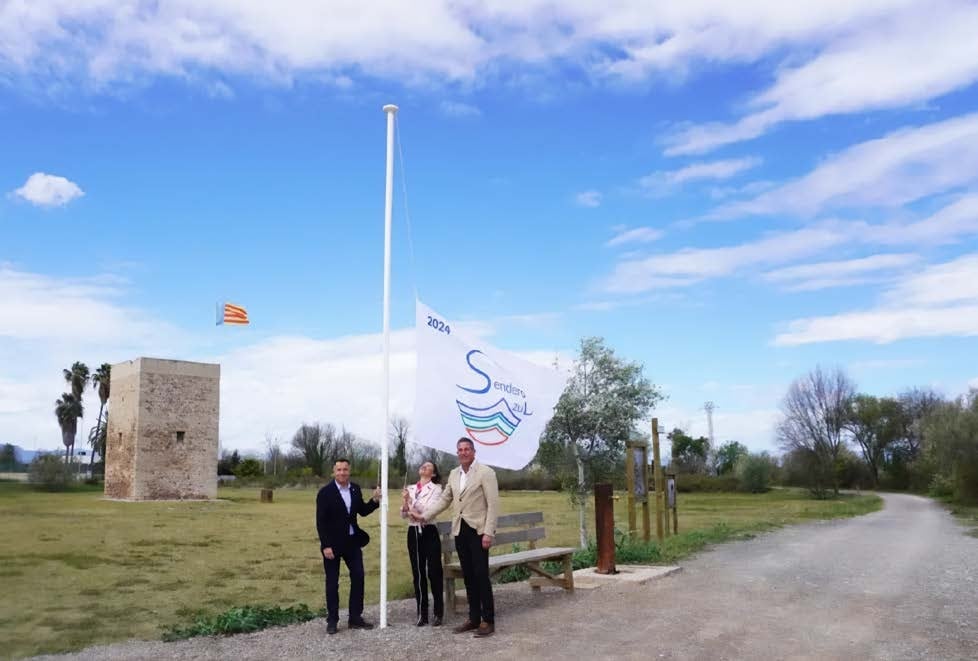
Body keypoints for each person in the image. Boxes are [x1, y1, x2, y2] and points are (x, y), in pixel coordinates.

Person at [418, 437, 499, 638]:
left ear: (473, 451)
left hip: (478, 531)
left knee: (481, 575)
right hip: (460, 530)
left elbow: (493, 504)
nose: (463, 452)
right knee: (469, 576)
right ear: (457, 453)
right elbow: (445, 499)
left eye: (467, 449)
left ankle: (487, 620)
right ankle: (473, 618)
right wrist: (425, 516)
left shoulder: (486, 473)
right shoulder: (454, 474)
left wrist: (488, 532)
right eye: (460, 450)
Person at [316, 458, 382, 635]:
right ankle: (332, 620)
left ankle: (355, 618)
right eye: (339, 470)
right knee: (332, 583)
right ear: (333, 472)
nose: (342, 473)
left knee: (359, 577)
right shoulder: (325, 493)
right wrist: (325, 545)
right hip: (333, 544)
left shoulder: (355, 489)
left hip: (352, 542)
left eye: (345, 470)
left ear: (349, 471)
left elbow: (362, 510)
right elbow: (320, 522)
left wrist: (375, 501)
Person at [401, 461, 445, 627]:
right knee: (418, 573)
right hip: (413, 532)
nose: (423, 467)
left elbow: (428, 511)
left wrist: (410, 505)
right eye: (423, 465)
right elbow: (404, 515)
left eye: (428, 467)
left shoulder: (436, 489)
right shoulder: (411, 488)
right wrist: (405, 503)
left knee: (434, 571)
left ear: (433, 474)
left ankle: (438, 612)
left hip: (429, 531)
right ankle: (422, 613)